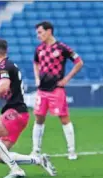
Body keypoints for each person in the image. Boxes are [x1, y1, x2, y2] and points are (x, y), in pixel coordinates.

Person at [0, 37, 56, 178]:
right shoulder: (6, 65)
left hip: (14, 112)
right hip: (21, 115)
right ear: (6, 50)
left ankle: (16, 169)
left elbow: (3, 87)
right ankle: (38, 160)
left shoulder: (4, 67)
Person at [31, 21, 83, 160]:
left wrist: (66, 79)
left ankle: (71, 151)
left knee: (64, 118)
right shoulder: (39, 48)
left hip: (56, 89)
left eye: (40, 32)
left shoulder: (62, 48)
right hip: (42, 90)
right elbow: (35, 63)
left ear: (49, 31)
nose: (38, 36)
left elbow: (79, 62)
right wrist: (36, 77)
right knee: (38, 118)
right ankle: (35, 150)